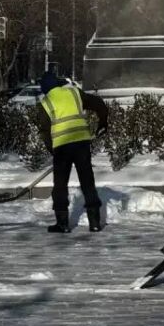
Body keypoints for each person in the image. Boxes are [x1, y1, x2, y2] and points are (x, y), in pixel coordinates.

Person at [35, 71, 109, 233]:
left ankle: (62, 224)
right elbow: (98, 103)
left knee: (60, 185)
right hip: (82, 143)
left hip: (62, 147)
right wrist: (103, 122)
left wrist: (53, 151)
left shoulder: (46, 102)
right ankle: (95, 223)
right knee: (87, 181)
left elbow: (45, 131)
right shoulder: (73, 92)